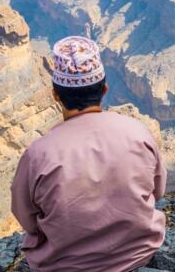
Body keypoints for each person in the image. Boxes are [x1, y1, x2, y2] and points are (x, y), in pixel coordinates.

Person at [11, 36, 166, 271]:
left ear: (55, 95)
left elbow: (26, 217)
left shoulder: (38, 155)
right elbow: (157, 190)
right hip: (138, 255)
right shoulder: (138, 132)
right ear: (104, 90)